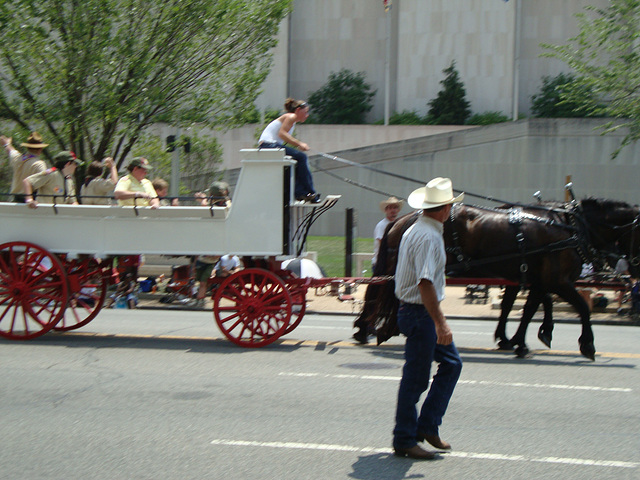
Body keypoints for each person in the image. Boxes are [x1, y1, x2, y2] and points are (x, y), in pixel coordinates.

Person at [392, 177, 464, 460]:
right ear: (445, 209)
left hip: (416, 312)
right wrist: (441, 323)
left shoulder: (419, 229)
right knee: (417, 379)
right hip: (419, 313)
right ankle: (406, 438)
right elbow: (425, 283)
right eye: (451, 206)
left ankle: (427, 427)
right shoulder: (429, 236)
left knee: (450, 364)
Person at [258, 98, 320, 203]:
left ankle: (300, 192)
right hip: (268, 145)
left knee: (297, 161)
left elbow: (283, 136)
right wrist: (299, 144)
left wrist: (297, 146)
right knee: (302, 157)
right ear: (298, 110)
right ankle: (309, 192)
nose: (307, 115)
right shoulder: (291, 116)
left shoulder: (293, 121)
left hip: (269, 145)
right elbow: (282, 134)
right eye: (305, 112)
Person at [1, 131, 48, 202]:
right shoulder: (39, 164)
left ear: (27, 147)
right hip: (31, 201)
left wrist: (7, 144)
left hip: (15, 200)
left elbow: (10, 150)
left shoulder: (18, 158)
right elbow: (44, 183)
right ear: (40, 149)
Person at [372, 196, 403, 270]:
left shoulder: (399, 224)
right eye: (390, 208)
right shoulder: (381, 225)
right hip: (381, 264)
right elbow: (382, 243)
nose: (393, 210)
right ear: (386, 210)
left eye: (395, 207)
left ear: (398, 210)